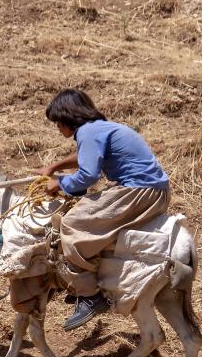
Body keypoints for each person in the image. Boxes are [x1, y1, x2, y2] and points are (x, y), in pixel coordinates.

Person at [38, 89, 171, 331]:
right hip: (154, 191)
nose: (58, 129)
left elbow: (88, 175)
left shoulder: (87, 132)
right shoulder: (100, 128)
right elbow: (84, 156)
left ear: (68, 118)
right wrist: (54, 167)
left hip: (137, 192)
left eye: (57, 123)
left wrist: (60, 183)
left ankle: (89, 294)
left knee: (71, 224)